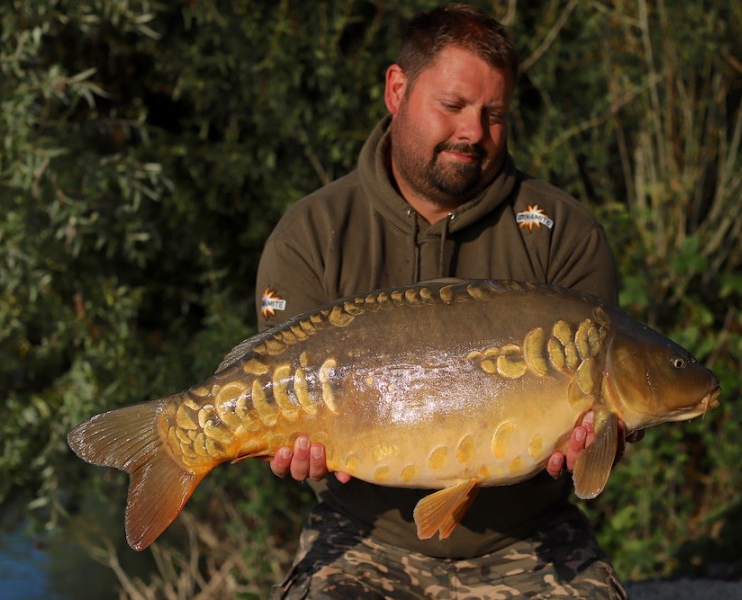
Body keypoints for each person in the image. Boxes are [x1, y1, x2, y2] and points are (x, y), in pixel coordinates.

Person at [256, 4, 634, 598]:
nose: (473, 132)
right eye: (453, 106)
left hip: (527, 534)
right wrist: (282, 444)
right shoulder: (312, 233)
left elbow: (608, 434)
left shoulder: (564, 231)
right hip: (365, 531)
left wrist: (601, 444)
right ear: (397, 89)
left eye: (494, 115)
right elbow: (275, 395)